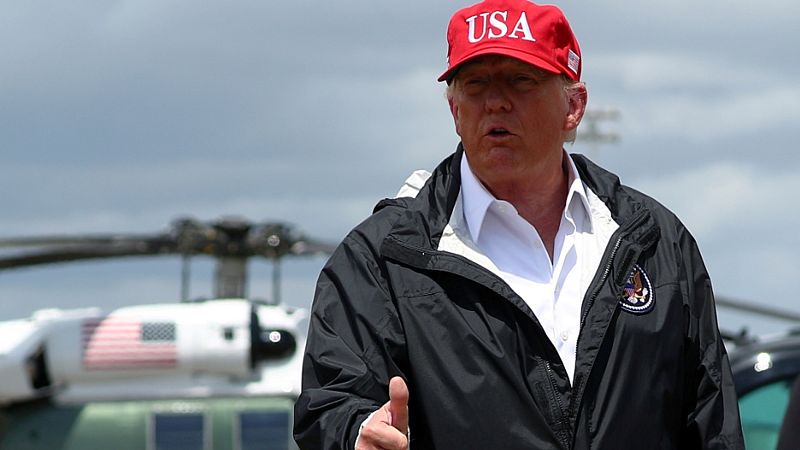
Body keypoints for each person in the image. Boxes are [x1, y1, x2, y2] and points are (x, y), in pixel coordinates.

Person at [294, 0, 745, 448]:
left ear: (574, 106)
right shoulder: (382, 260)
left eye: (520, 80)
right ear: (455, 111)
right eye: (475, 84)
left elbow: (711, 421)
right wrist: (355, 435)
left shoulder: (655, 239)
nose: (495, 101)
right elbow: (330, 406)